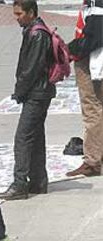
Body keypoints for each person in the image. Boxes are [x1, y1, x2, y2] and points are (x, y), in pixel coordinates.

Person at [0, 0, 56, 200]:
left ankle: (20, 183)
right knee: (35, 136)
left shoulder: (38, 34)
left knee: (22, 137)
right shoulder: (32, 30)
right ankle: (38, 180)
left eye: (19, 14)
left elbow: (31, 69)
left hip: (37, 93)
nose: (17, 18)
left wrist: (19, 91)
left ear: (31, 12)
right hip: (38, 92)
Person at [66, 0, 103, 177]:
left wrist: (70, 51)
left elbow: (95, 35)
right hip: (92, 57)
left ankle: (93, 161)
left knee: (92, 109)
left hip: (91, 60)